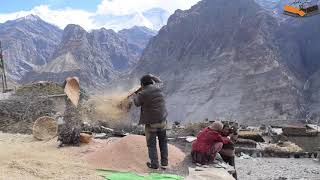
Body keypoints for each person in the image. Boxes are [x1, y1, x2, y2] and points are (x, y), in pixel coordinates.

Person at [133, 74, 168, 169]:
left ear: (142, 84)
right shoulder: (158, 88)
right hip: (163, 121)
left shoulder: (143, 93)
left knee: (151, 144)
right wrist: (152, 76)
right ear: (151, 82)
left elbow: (136, 103)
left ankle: (154, 164)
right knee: (163, 142)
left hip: (151, 123)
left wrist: (135, 94)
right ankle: (164, 163)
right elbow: (160, 81)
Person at [57, 77, 82, 147]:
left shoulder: (79, 92)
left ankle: (75, 141)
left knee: (76, 127)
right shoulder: (67, 92)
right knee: (66, 126)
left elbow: (80, 100)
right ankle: (63, 141)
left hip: (75, 112)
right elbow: (63, 87)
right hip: (68, 112)